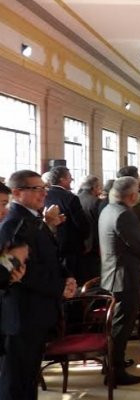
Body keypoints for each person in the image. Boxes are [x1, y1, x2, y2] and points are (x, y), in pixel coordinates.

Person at [0, 170, 76, 399]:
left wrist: (66, 277)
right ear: (17, 192)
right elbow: (22, 272)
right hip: (23, 312)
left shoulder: (33, 218)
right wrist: (59, 287)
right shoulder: (13, 222)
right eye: (37, 189)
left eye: (44, 188)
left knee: (29, 375)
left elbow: (49, 255)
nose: (44, 193)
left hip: (38, 310)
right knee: (16, 378)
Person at [99, 176, 140, 385]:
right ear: (132, 195)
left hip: (113, 273)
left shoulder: (108, 209)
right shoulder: (124, 214)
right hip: (124, 276)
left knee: (118, 323)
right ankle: (116, 370)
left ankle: (113, 361)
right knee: (122, 324)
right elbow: (137, 244)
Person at [45, 166, 91, 284]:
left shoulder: (44, 196)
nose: (72, 179)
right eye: (69, 177)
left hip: (51, 245)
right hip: (72, 247)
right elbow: (81, 224)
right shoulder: (70, 198)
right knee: (75, 280)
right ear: (62, 179)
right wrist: (86, 239)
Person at [77, 175, 103, 282]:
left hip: (79, 243)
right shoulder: (96, 202)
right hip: (94, 243)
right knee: (93, 276)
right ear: (95, 187)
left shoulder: (76, 198)